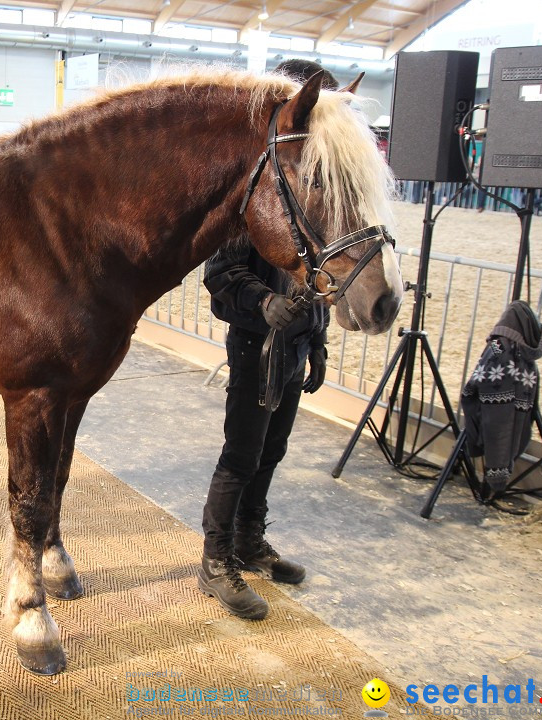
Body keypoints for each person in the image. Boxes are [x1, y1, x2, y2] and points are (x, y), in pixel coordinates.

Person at [197, 59, 337, 621]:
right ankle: (214, 560)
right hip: (256, 345)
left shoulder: (306, 189)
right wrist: (263, 303)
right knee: (241, 453)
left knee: (272, 451)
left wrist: (317, 338)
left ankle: (250, 541)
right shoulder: (254, 191)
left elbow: (315, 273)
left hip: (295, 344)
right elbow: (222, 274)